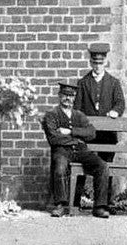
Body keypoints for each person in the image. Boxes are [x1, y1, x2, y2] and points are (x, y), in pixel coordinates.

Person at [41, 80, 110, 218]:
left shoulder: (79, 115)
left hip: (80, 150)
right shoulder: (51, 115)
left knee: (102, 165)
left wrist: (70, 131)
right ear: (59, 96)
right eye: (65, 95)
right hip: (62, 150)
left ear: (74, 98)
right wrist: (77, 138)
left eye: (71, 96)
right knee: (60, 167)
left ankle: (99, 207)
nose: (68, 98)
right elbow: (54, 138)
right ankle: (60, 205)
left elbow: (91, 133)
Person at [74, 42, 126, 212]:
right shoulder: (83, 83)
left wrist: (115, 111)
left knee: (106, 166)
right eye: (95, 63)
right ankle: (75, 201)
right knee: (81, 163)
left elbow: (120, 103)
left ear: (105, 62)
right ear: (91, 62)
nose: (97, 66)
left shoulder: (113, 83)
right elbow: (77, 108)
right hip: (88, 133)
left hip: (107, 134)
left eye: (100, 63)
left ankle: (104, 203)